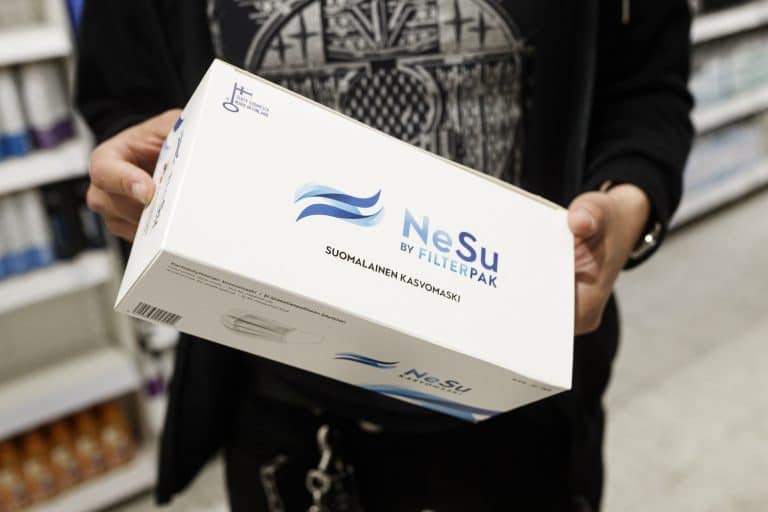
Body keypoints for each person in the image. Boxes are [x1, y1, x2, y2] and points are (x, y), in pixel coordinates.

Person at [77, 0, 693, 510]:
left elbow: (647, 89)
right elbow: (125, 87)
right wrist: (148, 171)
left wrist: (628, 199)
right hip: (280, 400)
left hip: (521, 404)